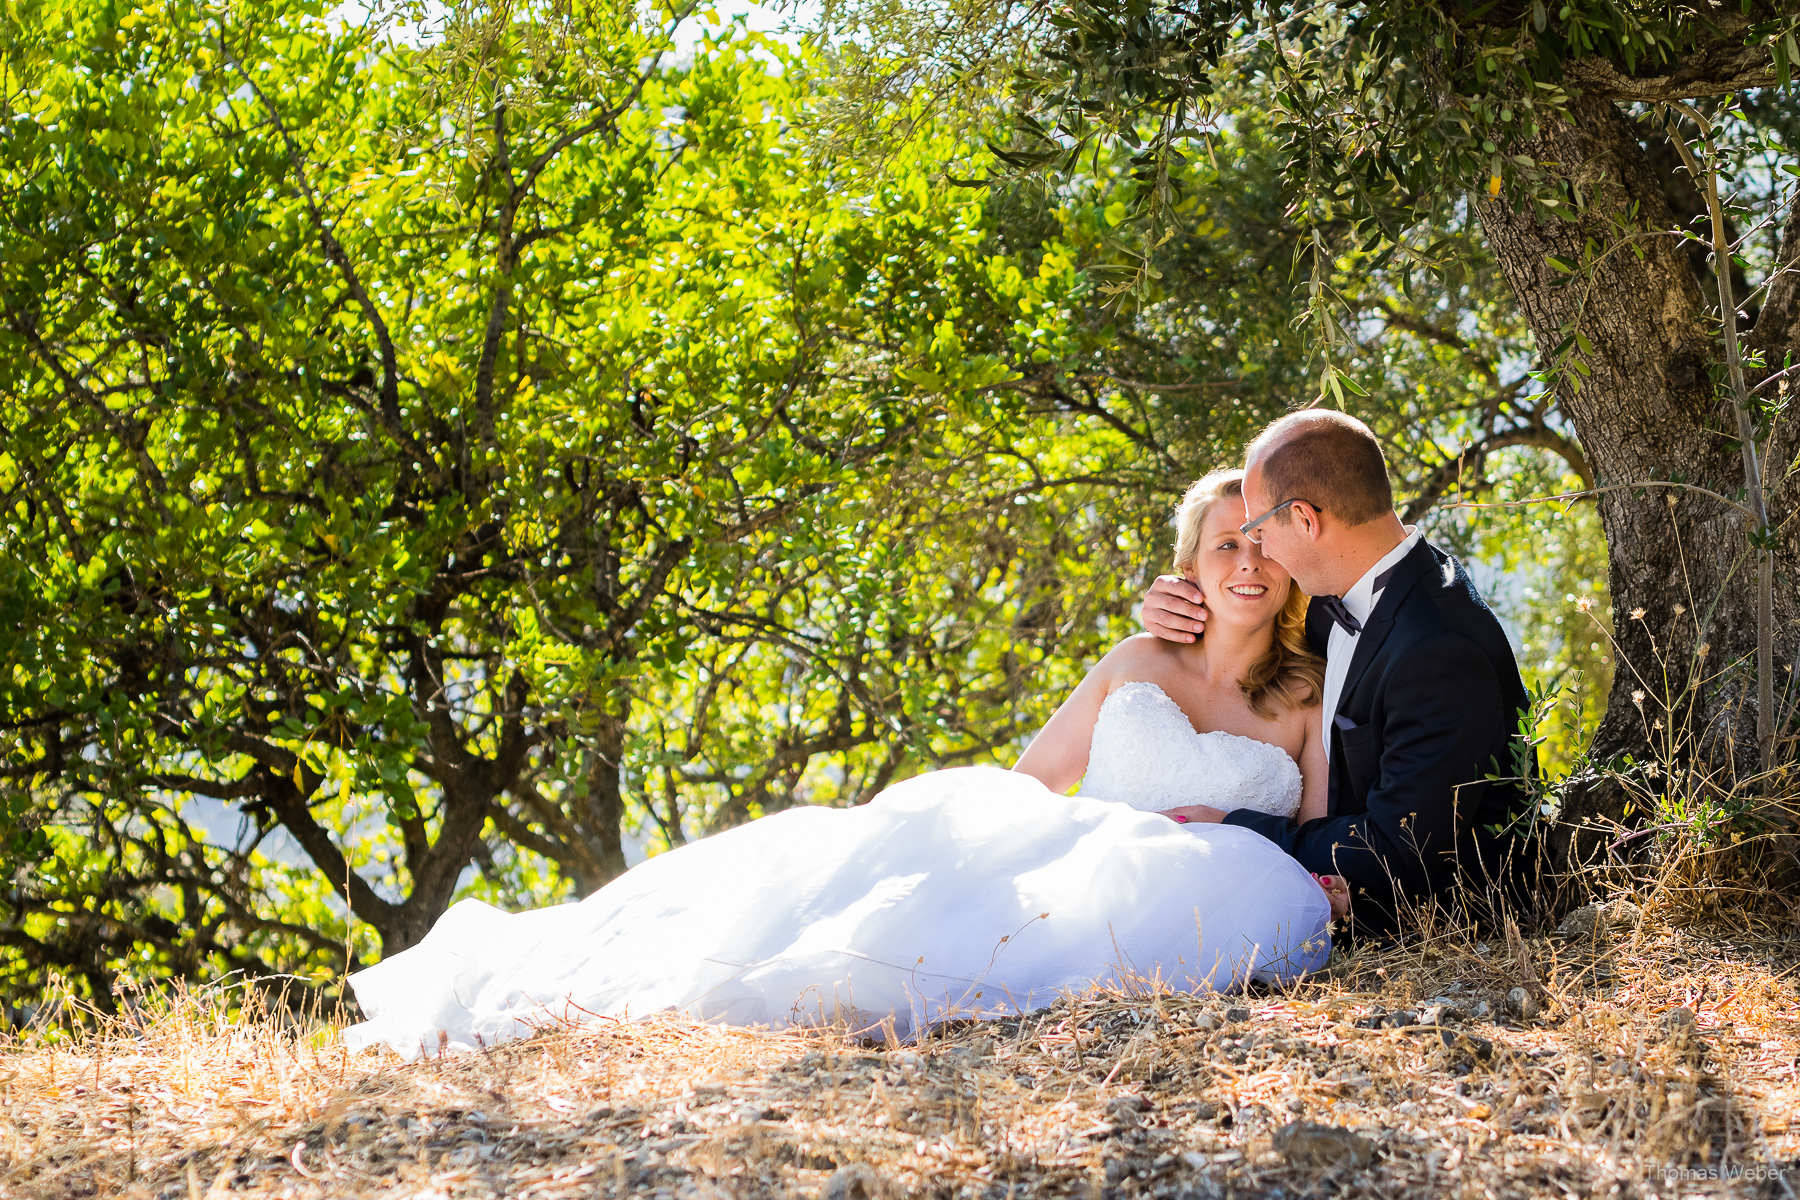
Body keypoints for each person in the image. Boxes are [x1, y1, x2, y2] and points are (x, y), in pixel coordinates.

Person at [342, 471, 1343, 1059]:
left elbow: (1319, 837)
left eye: (1262, 547)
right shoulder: (1135, 661)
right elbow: (1030, 782)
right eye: (1223, 546)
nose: (1245, 566)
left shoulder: (1306, 699)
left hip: (1185, 895)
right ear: (1192, 561)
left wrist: (1233, 839)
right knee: (832, 916)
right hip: (1073, 859)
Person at [1140, 411, 1534, 938]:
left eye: (1259, 529)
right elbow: (1252, 623)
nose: (1262, 551)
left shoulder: (1438, 650)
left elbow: (1401, 850)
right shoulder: (1344, 593)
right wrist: (1179, 604)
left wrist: (1233, 829)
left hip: (1435, 925)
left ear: (1304, 520)